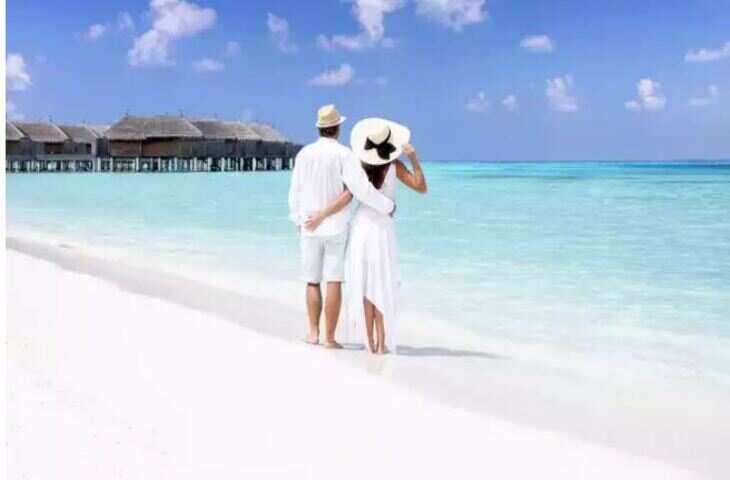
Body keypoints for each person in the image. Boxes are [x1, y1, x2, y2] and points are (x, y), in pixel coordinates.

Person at [306, 118, 427, 354]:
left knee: (366, 284)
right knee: (381, 282)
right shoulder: (394, 165)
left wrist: (321, 215)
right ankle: (381, 343)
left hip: (362, 226)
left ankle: (369, 342)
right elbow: (421, 187)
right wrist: (413, 158)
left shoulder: (359, 166)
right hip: (382, 228)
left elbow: (347, 197)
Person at [288, 105, 396, 348]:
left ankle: (313, 333)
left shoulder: (304, 154)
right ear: (337, 128)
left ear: (319, 128)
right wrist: (387, 206)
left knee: (312, 281)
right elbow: (361, 189)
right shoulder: (344, 154)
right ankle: (329, 338)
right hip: (336, 226)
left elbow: (294, 191)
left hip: (309, 225)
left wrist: (298, 220)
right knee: (334, 280)